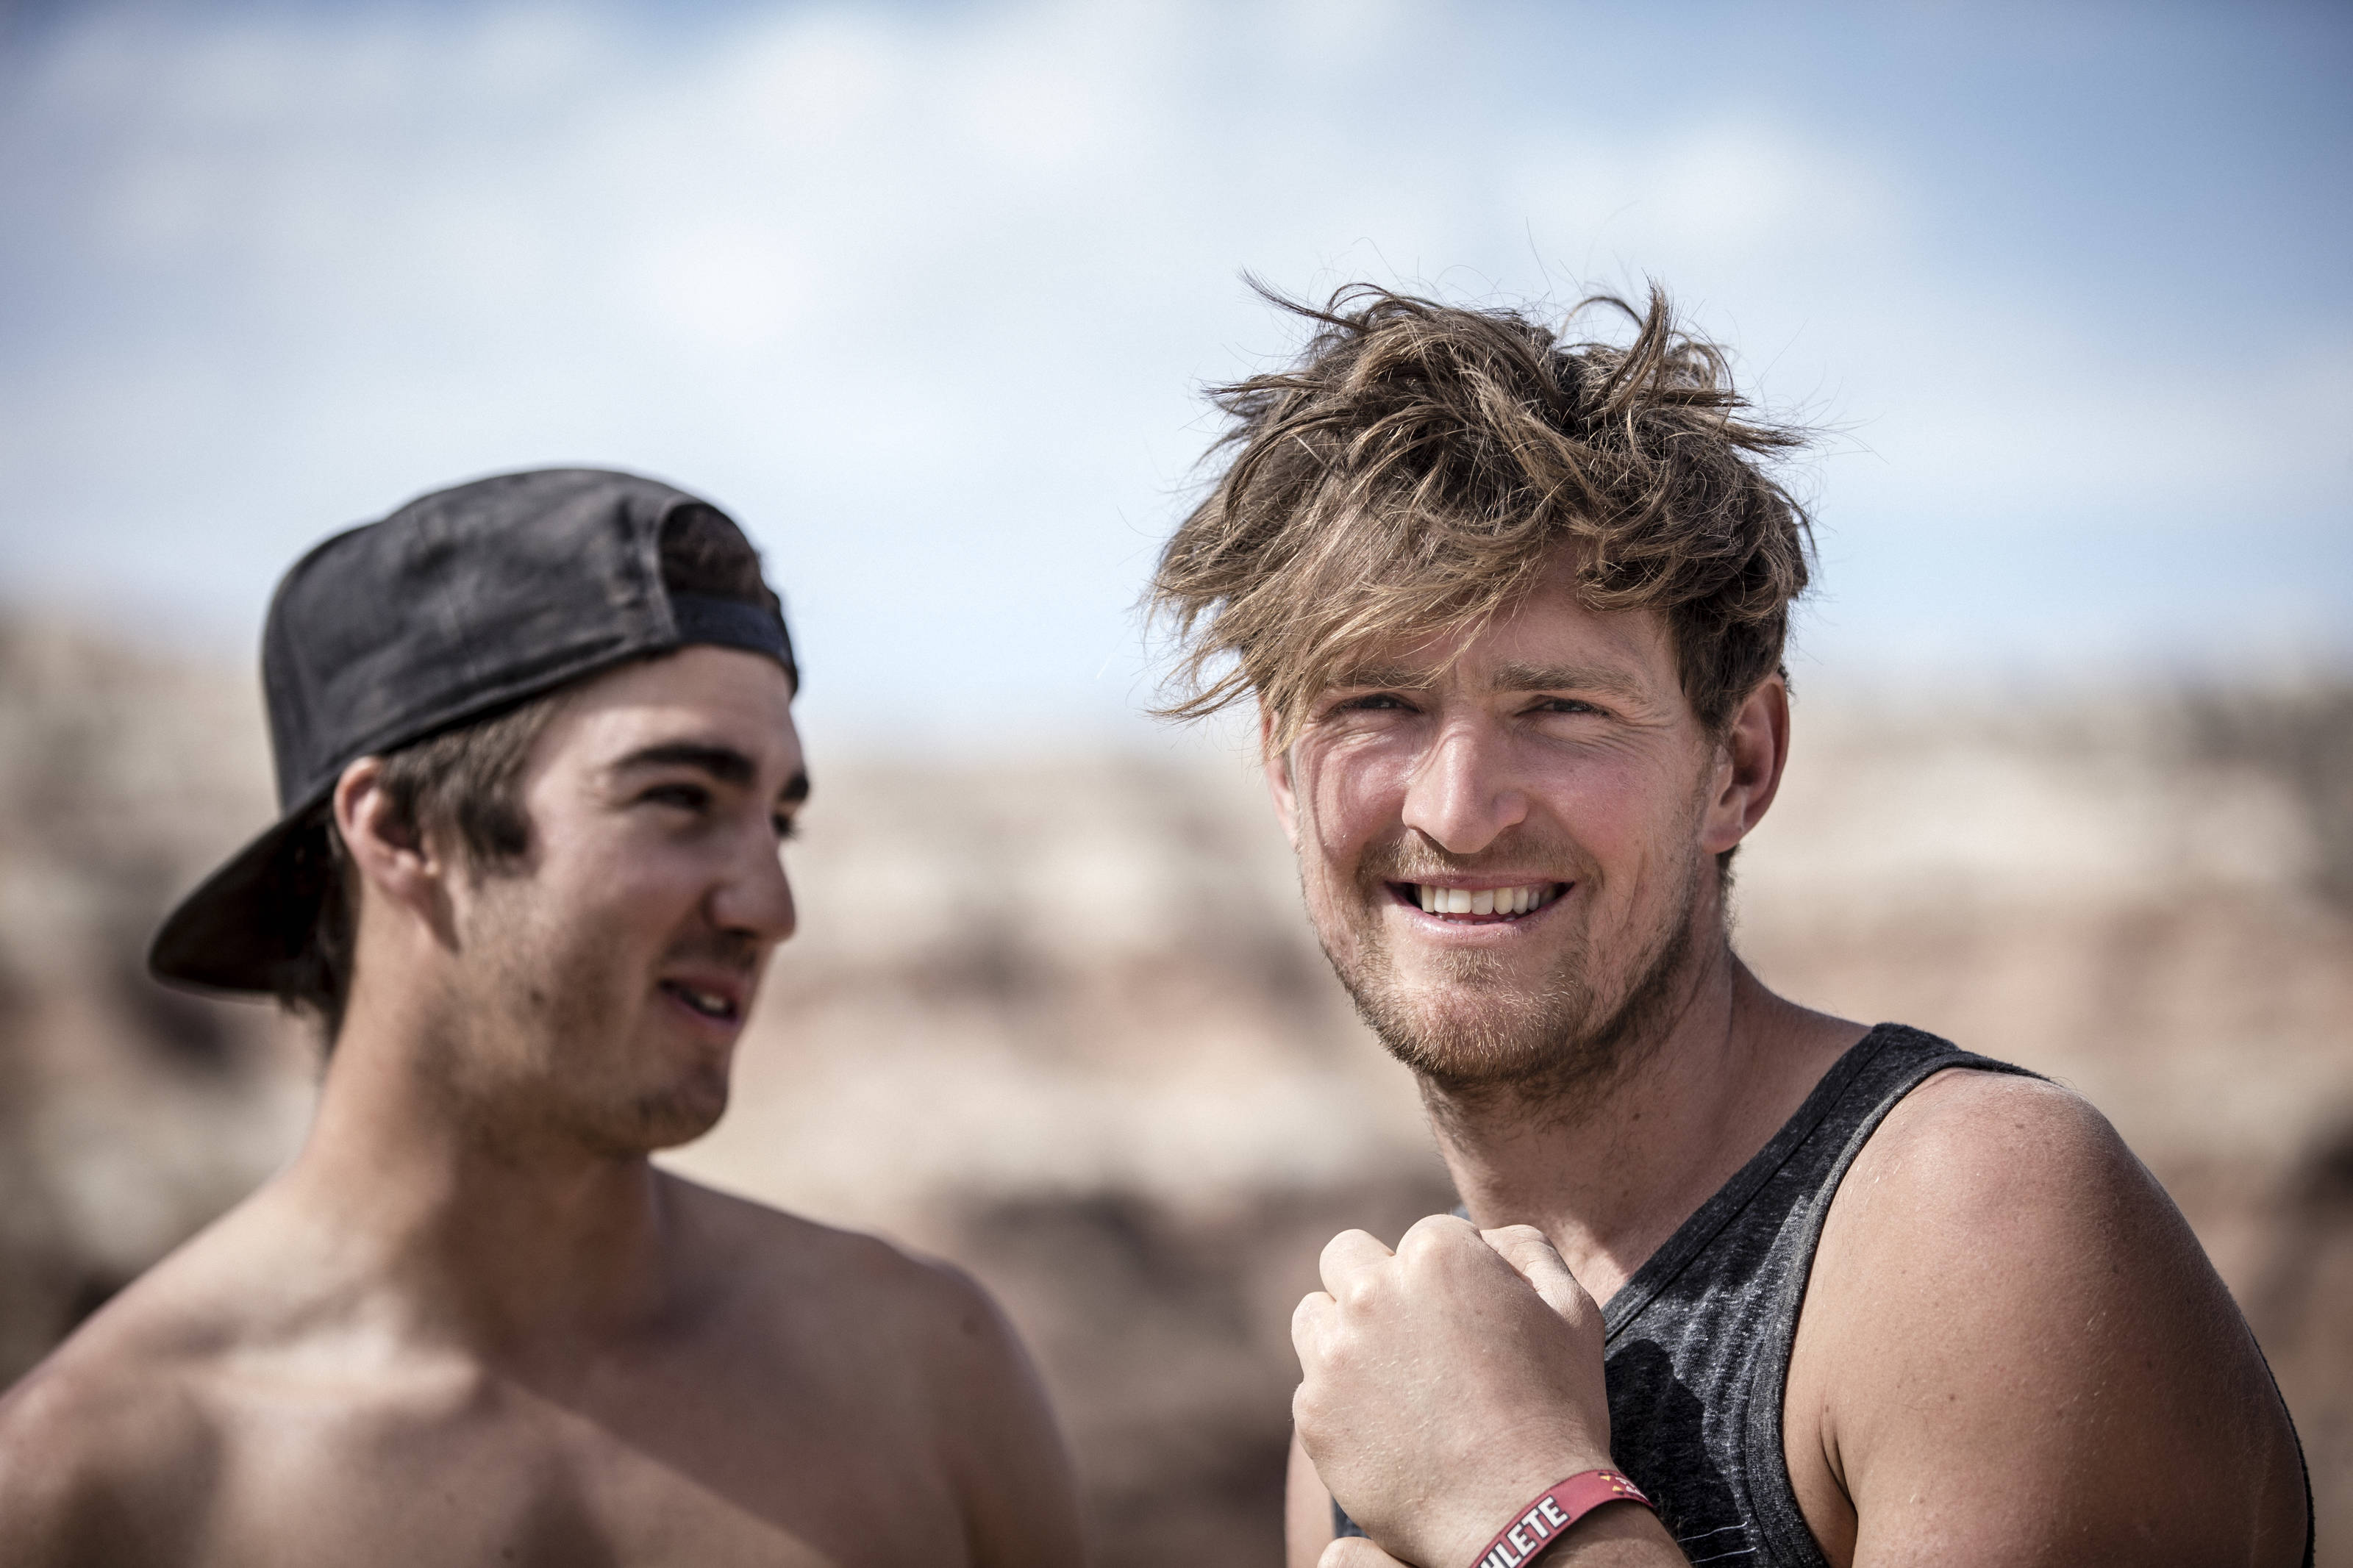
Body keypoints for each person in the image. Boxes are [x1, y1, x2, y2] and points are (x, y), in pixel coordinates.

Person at [1150, 287, 2313, 1567]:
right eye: (1377, 701)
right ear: (1278, 767)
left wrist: (1517, 1505)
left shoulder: (1977, 1223)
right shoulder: (1383, 1406)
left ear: (1739, 765)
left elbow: (1499, 1497)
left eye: (1561, 707)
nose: (1459, 810)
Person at [0, 470, 1085, 1566]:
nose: (770, 907)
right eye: (681, 799)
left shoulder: (925, 1371)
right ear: (403, 828)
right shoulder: (96, 1483)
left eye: (779, 822)